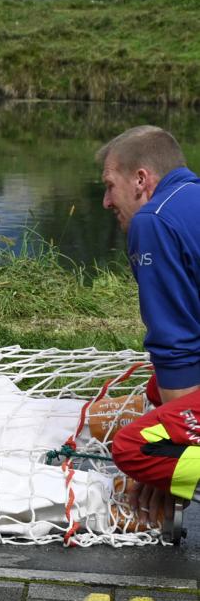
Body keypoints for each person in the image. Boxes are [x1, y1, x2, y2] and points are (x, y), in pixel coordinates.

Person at [96, 126, 200, 539]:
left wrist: (168, 467)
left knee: (133, 447)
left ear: (141, 181)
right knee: (159, 391)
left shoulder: (154, 222)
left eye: (109, 186)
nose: (106, 202)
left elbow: (176, 346)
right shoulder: (190, 200)